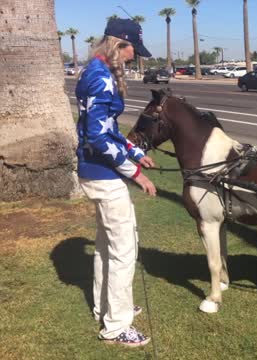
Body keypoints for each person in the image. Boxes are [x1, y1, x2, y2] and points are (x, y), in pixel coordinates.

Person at [75, 18, 156, 347]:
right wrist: (137, 174)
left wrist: (136, 152)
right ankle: (116, 325)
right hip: (102, 174)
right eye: (131, 50)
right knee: (124, 250)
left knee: (106, 245)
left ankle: (106, 306)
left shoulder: (94, 71)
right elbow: (97, 136)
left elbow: (107, 128)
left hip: (94, 170)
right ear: (119, 44)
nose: (133, 56)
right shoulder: (102, 78)